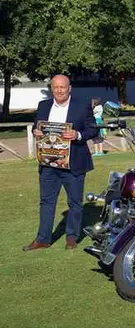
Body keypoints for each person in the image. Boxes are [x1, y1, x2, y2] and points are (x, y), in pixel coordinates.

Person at [24, 75, 98, 251]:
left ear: (69, 88)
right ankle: (43, 239)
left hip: (74, 164)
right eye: (55, 87)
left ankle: (71, 238)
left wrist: (77, 135)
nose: (59, 90)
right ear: (51, 88)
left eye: (62, 87)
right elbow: (37, 126)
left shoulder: (82, 105)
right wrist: (36, 132)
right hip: (48, 164)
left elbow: (92, 129)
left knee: (75, 203)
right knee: (46, 202)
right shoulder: (43, 106)